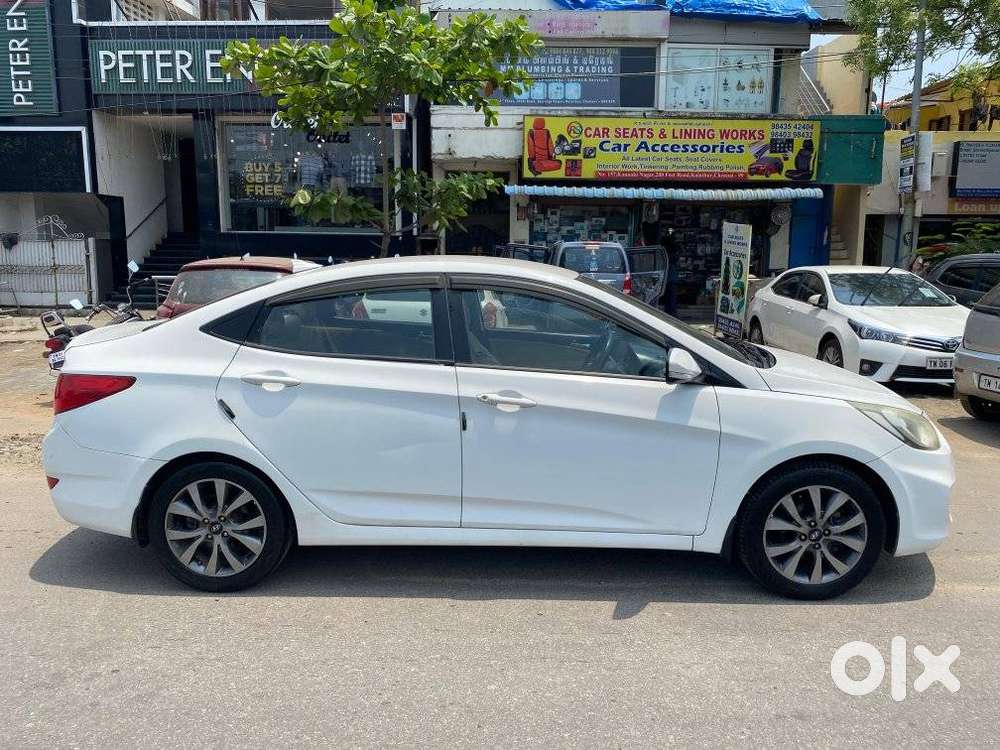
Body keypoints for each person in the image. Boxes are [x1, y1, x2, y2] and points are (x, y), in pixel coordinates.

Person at [660, 228, 681, 316]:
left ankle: (670, 311)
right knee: (671, 295)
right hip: (670, 275)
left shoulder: (666, 246)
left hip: (667, 274)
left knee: (669, 294)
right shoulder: (672, 246)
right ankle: (671, 311)